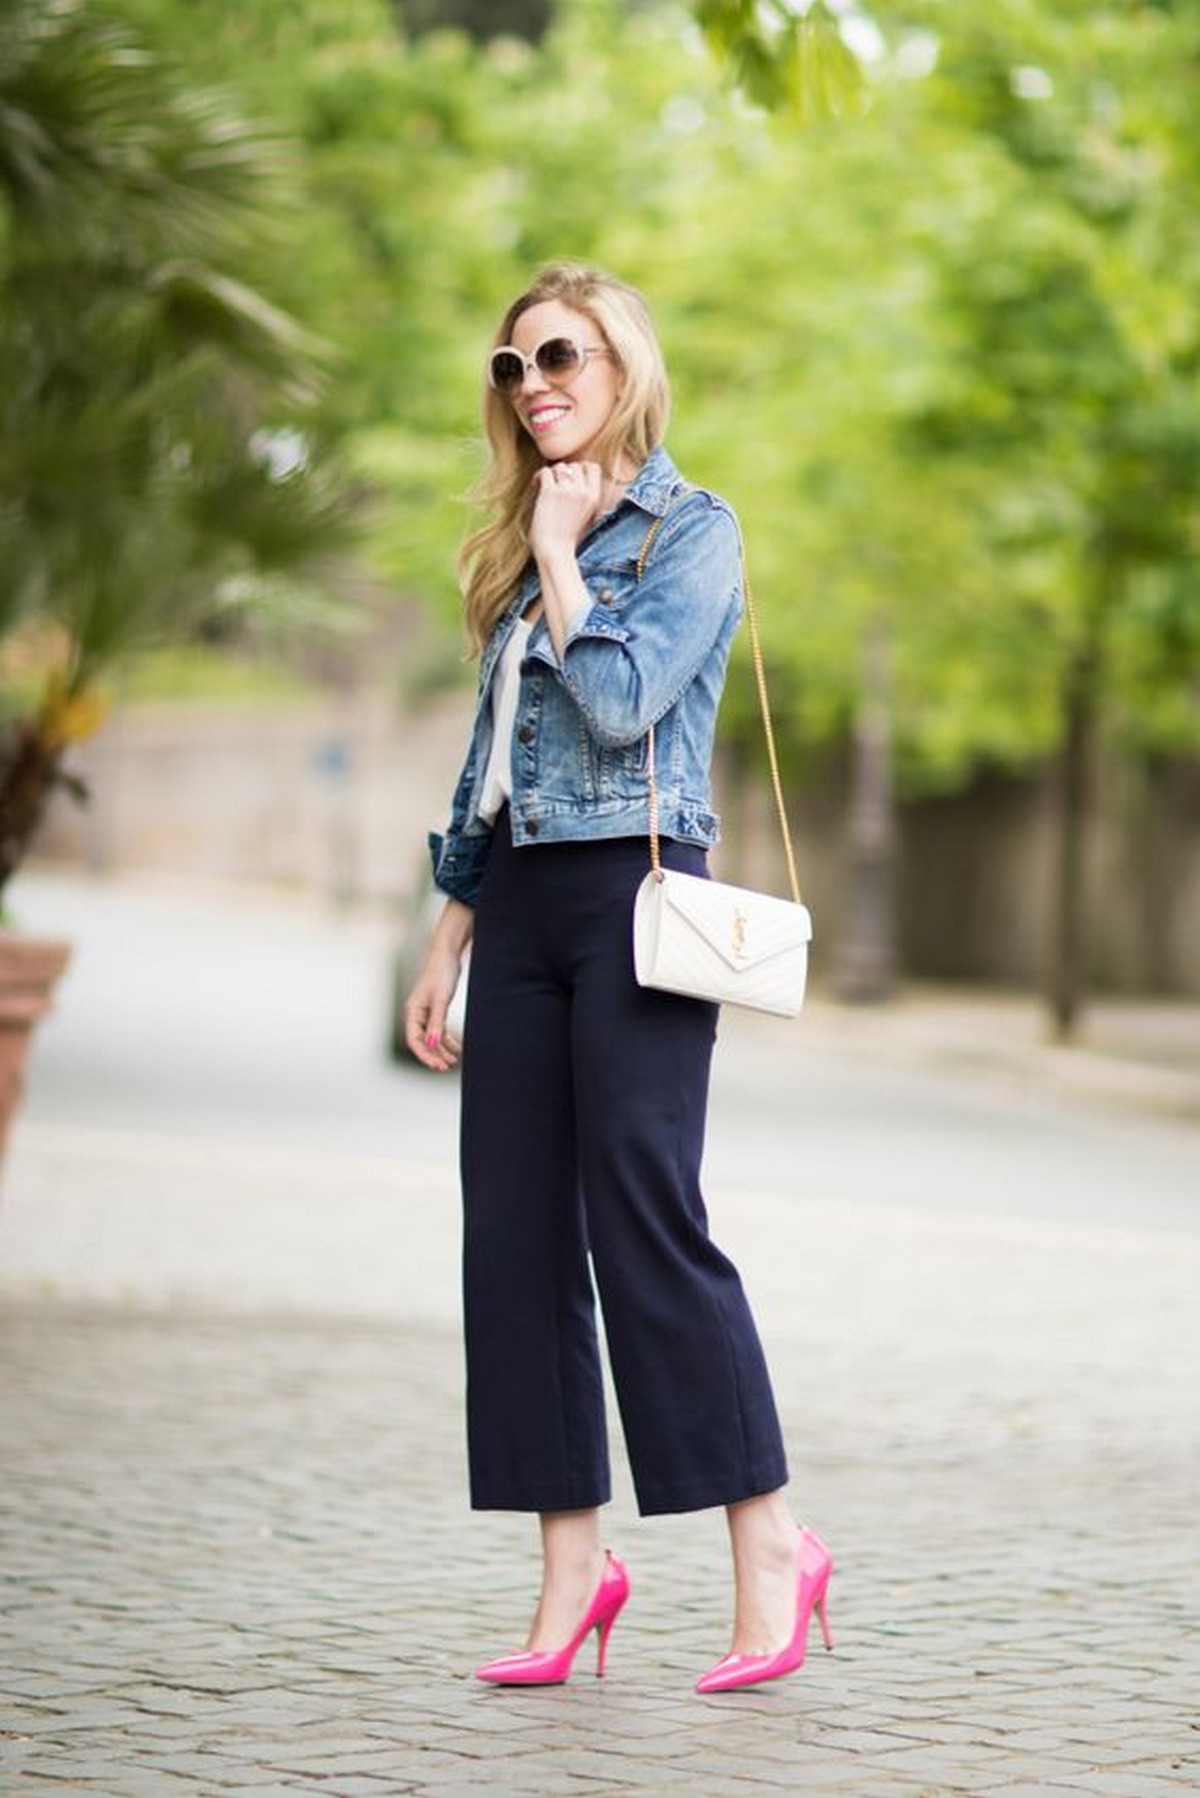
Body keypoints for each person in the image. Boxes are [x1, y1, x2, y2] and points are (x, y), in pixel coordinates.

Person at [403, 262, 833, 1694]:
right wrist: (449, 928)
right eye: (512, 366)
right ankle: (571, 1575)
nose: (533, 386)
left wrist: (573, 551)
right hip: (521, 901)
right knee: (514, 1238)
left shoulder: (692, 528)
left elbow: (626, 698)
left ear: (622, 362)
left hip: (639, 899)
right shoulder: (526, 540)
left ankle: (773, 1542)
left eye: (559, 357)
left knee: (645, 1217)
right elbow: (491, 762)